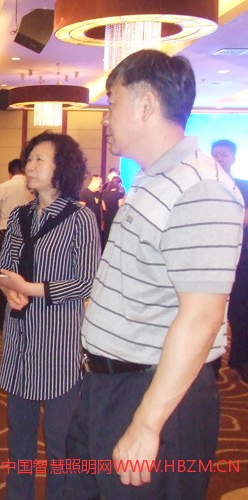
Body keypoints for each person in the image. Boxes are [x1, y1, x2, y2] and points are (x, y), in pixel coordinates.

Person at [64, 50, 244, 499]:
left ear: (145, 105)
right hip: (110, 387)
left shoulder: (201, 187)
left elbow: (202, 317)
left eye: (112, 104)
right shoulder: (153, 179)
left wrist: (147, 423)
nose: (106, 117)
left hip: (155, 396)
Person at [0, 132, 100, 499]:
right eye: (29, 158)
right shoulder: (19, 215)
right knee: (19, 442)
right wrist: (9, 289)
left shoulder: (80, 218)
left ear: (61, 168)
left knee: (60, 446)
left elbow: (86, 281)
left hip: (58, 345)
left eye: (40, 159)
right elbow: (4, 268)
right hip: (20, 342)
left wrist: (30, 288)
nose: (30, 166)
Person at [212, 139, 248, 382]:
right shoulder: (203, 185)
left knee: (239, 312)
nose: (220, 158)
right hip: (211, 258)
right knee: (209, 312)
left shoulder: (243, 186)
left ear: (234, 158)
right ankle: (208, 364)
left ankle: (238, 360)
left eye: (224, 154)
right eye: (215, 154)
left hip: (242, 259)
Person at [0, 158, 33, 327]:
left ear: (9, 172)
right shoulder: (32, 187)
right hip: (31, 237)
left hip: (7, 233)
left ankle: (4, 317)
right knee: (27, 274)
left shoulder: (4, 187)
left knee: (4, 275)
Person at [100, 174, 125, 248]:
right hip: (116, 216)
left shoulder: (103, 194)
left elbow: (104, 208)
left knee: (107, 235)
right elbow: (120, 206)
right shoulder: (119, 194)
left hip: (107, 217)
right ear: (119, 184)